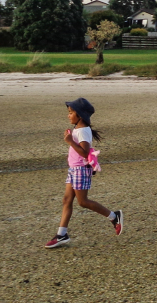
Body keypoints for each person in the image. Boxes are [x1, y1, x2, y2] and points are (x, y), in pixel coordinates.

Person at [45, 97, 123, 248]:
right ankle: (62, 234)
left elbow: (85, 153)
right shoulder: (79, 129)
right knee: (67, 200)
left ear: (79, 115)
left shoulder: (83, 131)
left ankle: (114, 217)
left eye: (70, 113)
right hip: (74, 168)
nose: (68, 115)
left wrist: (70, 141)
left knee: (83, 202)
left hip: (81, 169)